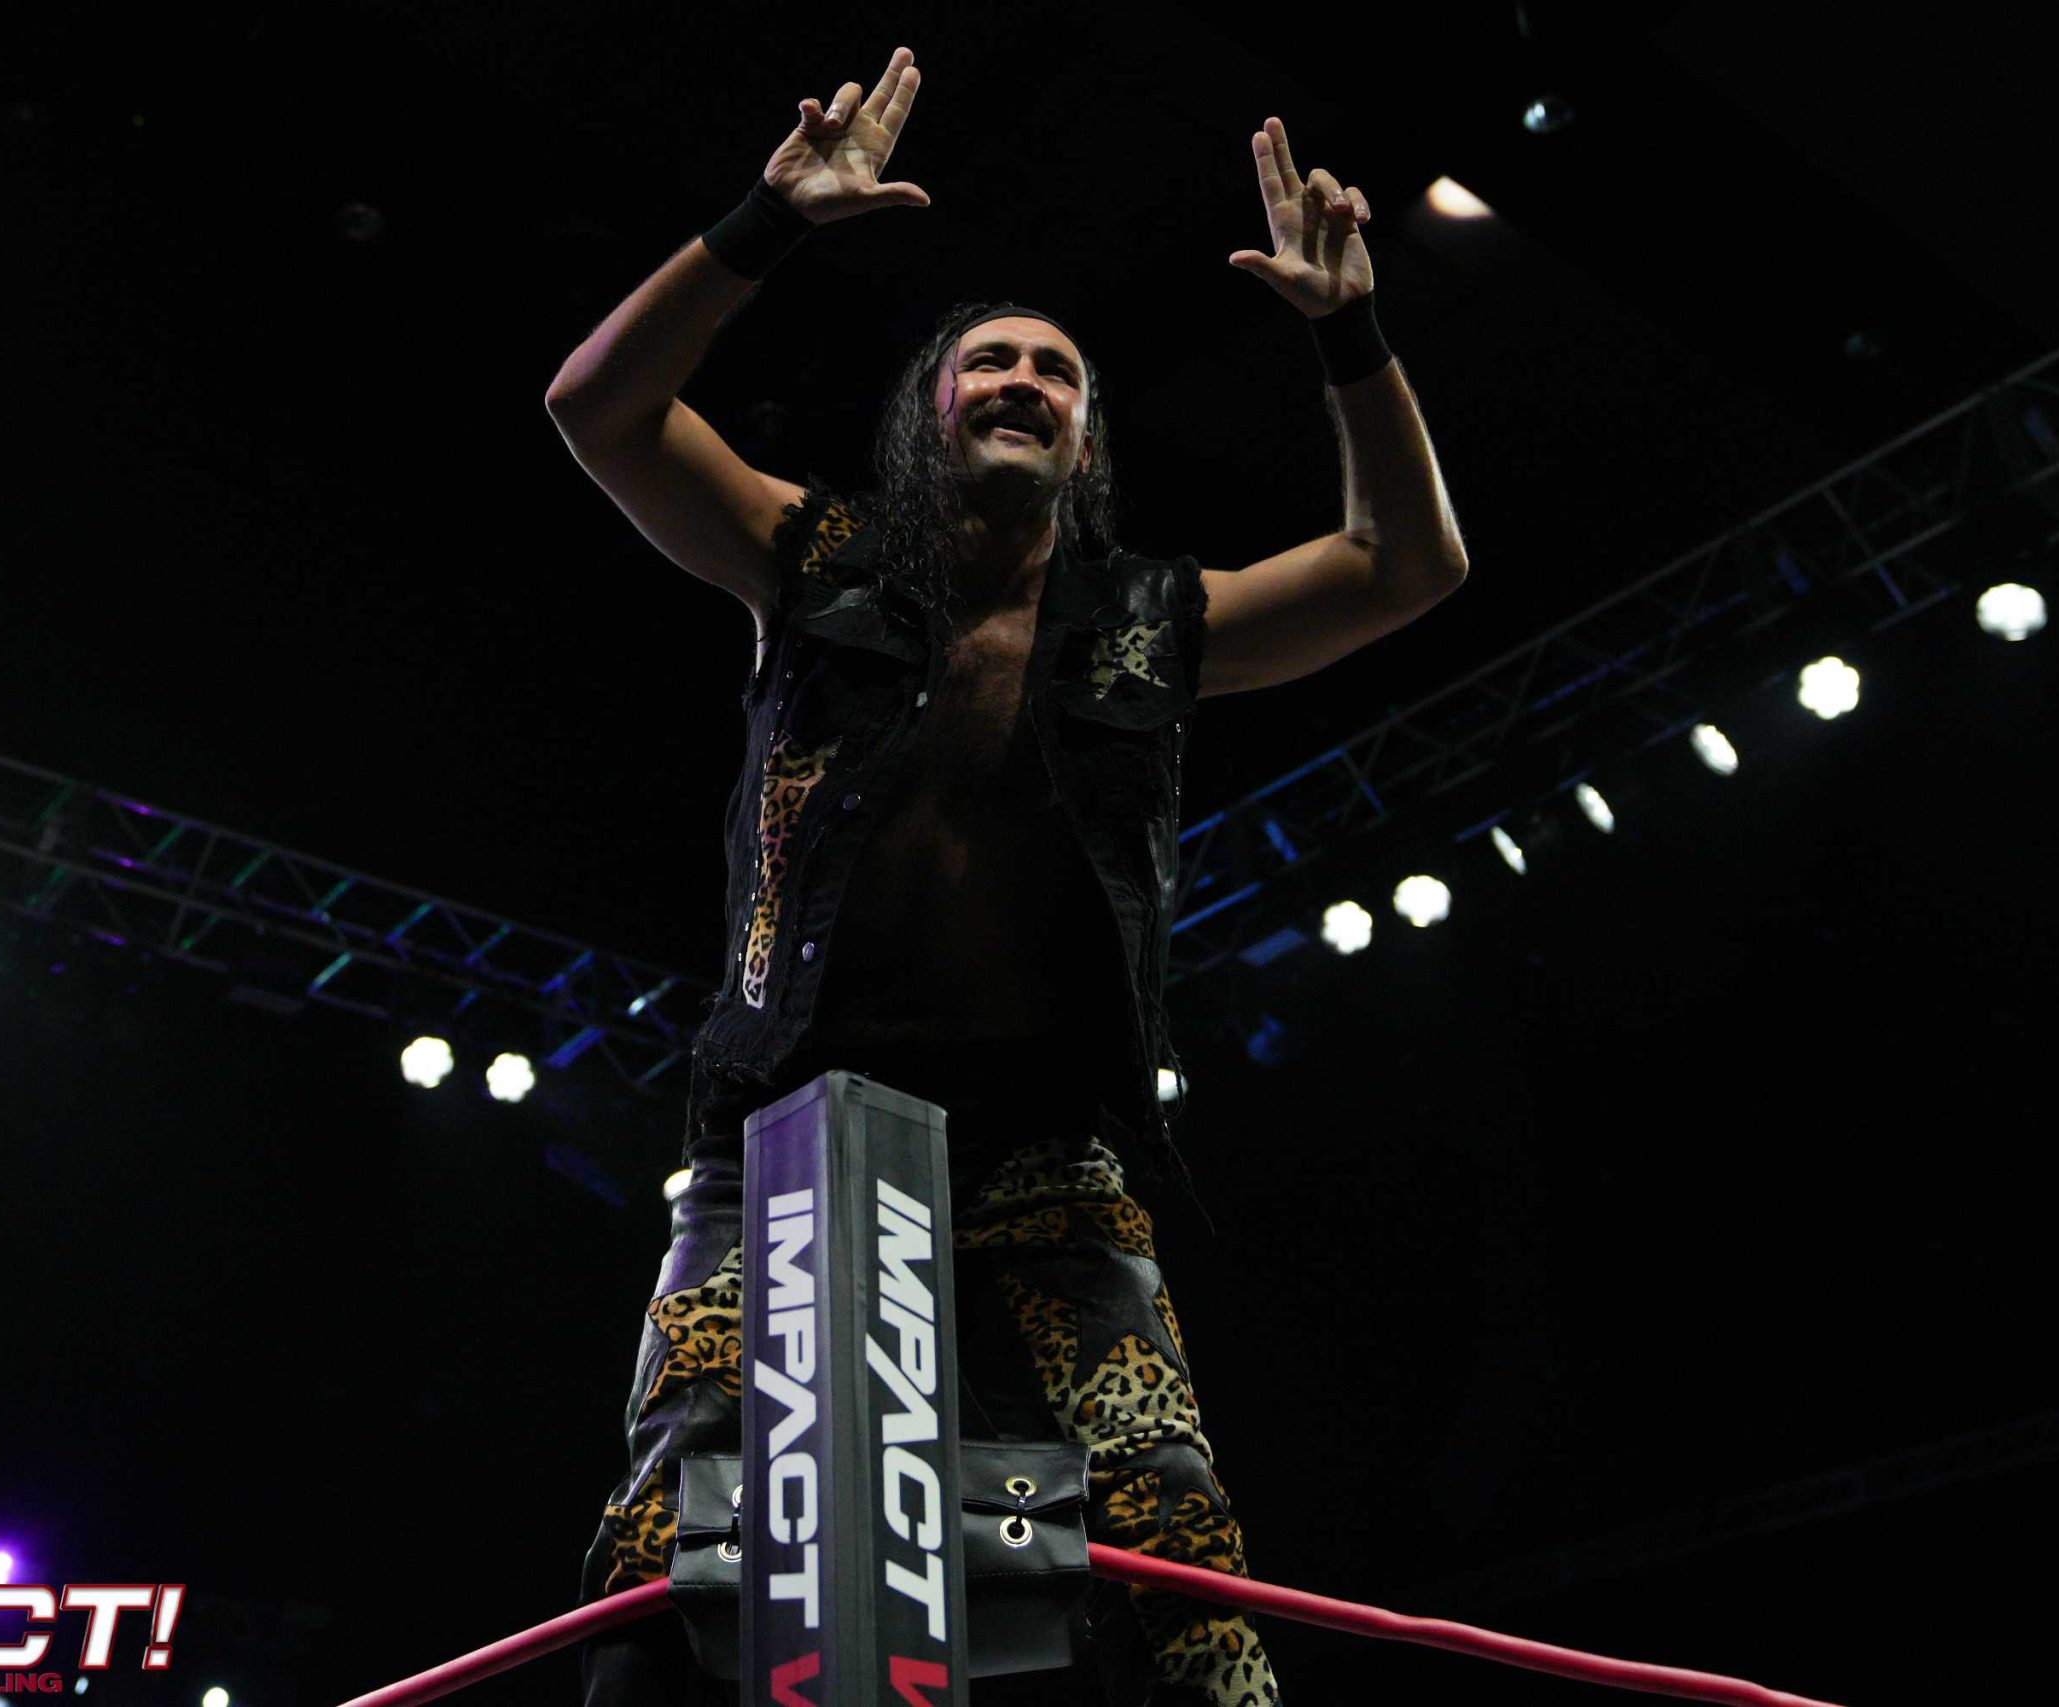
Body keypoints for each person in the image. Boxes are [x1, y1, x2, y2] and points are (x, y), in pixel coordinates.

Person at [543, 45, 1469, 1705]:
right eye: (992, 360)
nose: (1026, 379)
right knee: (671, 1537)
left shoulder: (1155, 623)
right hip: (782, 1132)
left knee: (1174, 1533)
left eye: (1057, 368)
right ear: (935, 410)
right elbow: (594, 410)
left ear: (1087, 431)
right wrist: (766, 221)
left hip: (1043, 1146)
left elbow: (1410, 566)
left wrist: (1351, 334)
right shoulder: (808, 559)